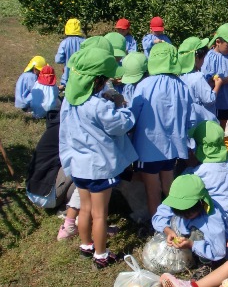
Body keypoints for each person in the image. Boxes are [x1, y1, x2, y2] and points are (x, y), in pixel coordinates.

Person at [59, 46, 138, 268]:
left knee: (84, 209)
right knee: (100, 214)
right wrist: (124, 108)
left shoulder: (69, 101)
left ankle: (86, 245)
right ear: (98, 81)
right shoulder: (98, 105)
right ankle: (102, 255)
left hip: (79, 166)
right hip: (99, 168)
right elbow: (120, 125)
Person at [130, 44, 194, 216]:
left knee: (152, 191)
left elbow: (132, 115)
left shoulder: (144, 85)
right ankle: (179, 218)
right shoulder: (182, 86)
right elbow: (190, 117)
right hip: (173, 145)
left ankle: (157, 227)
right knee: (168, 185)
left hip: (148, 147)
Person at [152, 174, 228, 277]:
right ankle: (188, 255)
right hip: (186, 237)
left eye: (189, 212)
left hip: (208, 248)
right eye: (180, 211)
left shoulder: (212, 218)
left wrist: (192, 245)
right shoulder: (178, 198)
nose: (185, 215)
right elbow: (158, 217)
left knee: (198, 234)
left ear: (201, 202)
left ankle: (206, 264)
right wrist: (168, 231)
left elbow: (219, 251)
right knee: (171, 220)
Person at [183, 121, 228, 229]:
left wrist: (189, 165)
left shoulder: (198, 172)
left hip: (219, 218)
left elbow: (183, 187)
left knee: (180, 219)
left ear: (201, 148)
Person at [26, 108, 75, 210]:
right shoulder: (70, 129)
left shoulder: (59, 123)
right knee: (88, 167)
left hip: (34, 188)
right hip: (46, 193)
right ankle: (70, 210)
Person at [178, 36, 222, 123]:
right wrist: (218, 85)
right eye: (203, 58)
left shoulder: (180, 76)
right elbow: (209, 99)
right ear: (196, 58)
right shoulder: (198, 76)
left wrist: (207, 84)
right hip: (203, 121)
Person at [55, 18, 85, 86]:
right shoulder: (85, 42)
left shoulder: (64, 42)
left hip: (67, 77)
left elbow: (58, 60)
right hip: (82, 77)